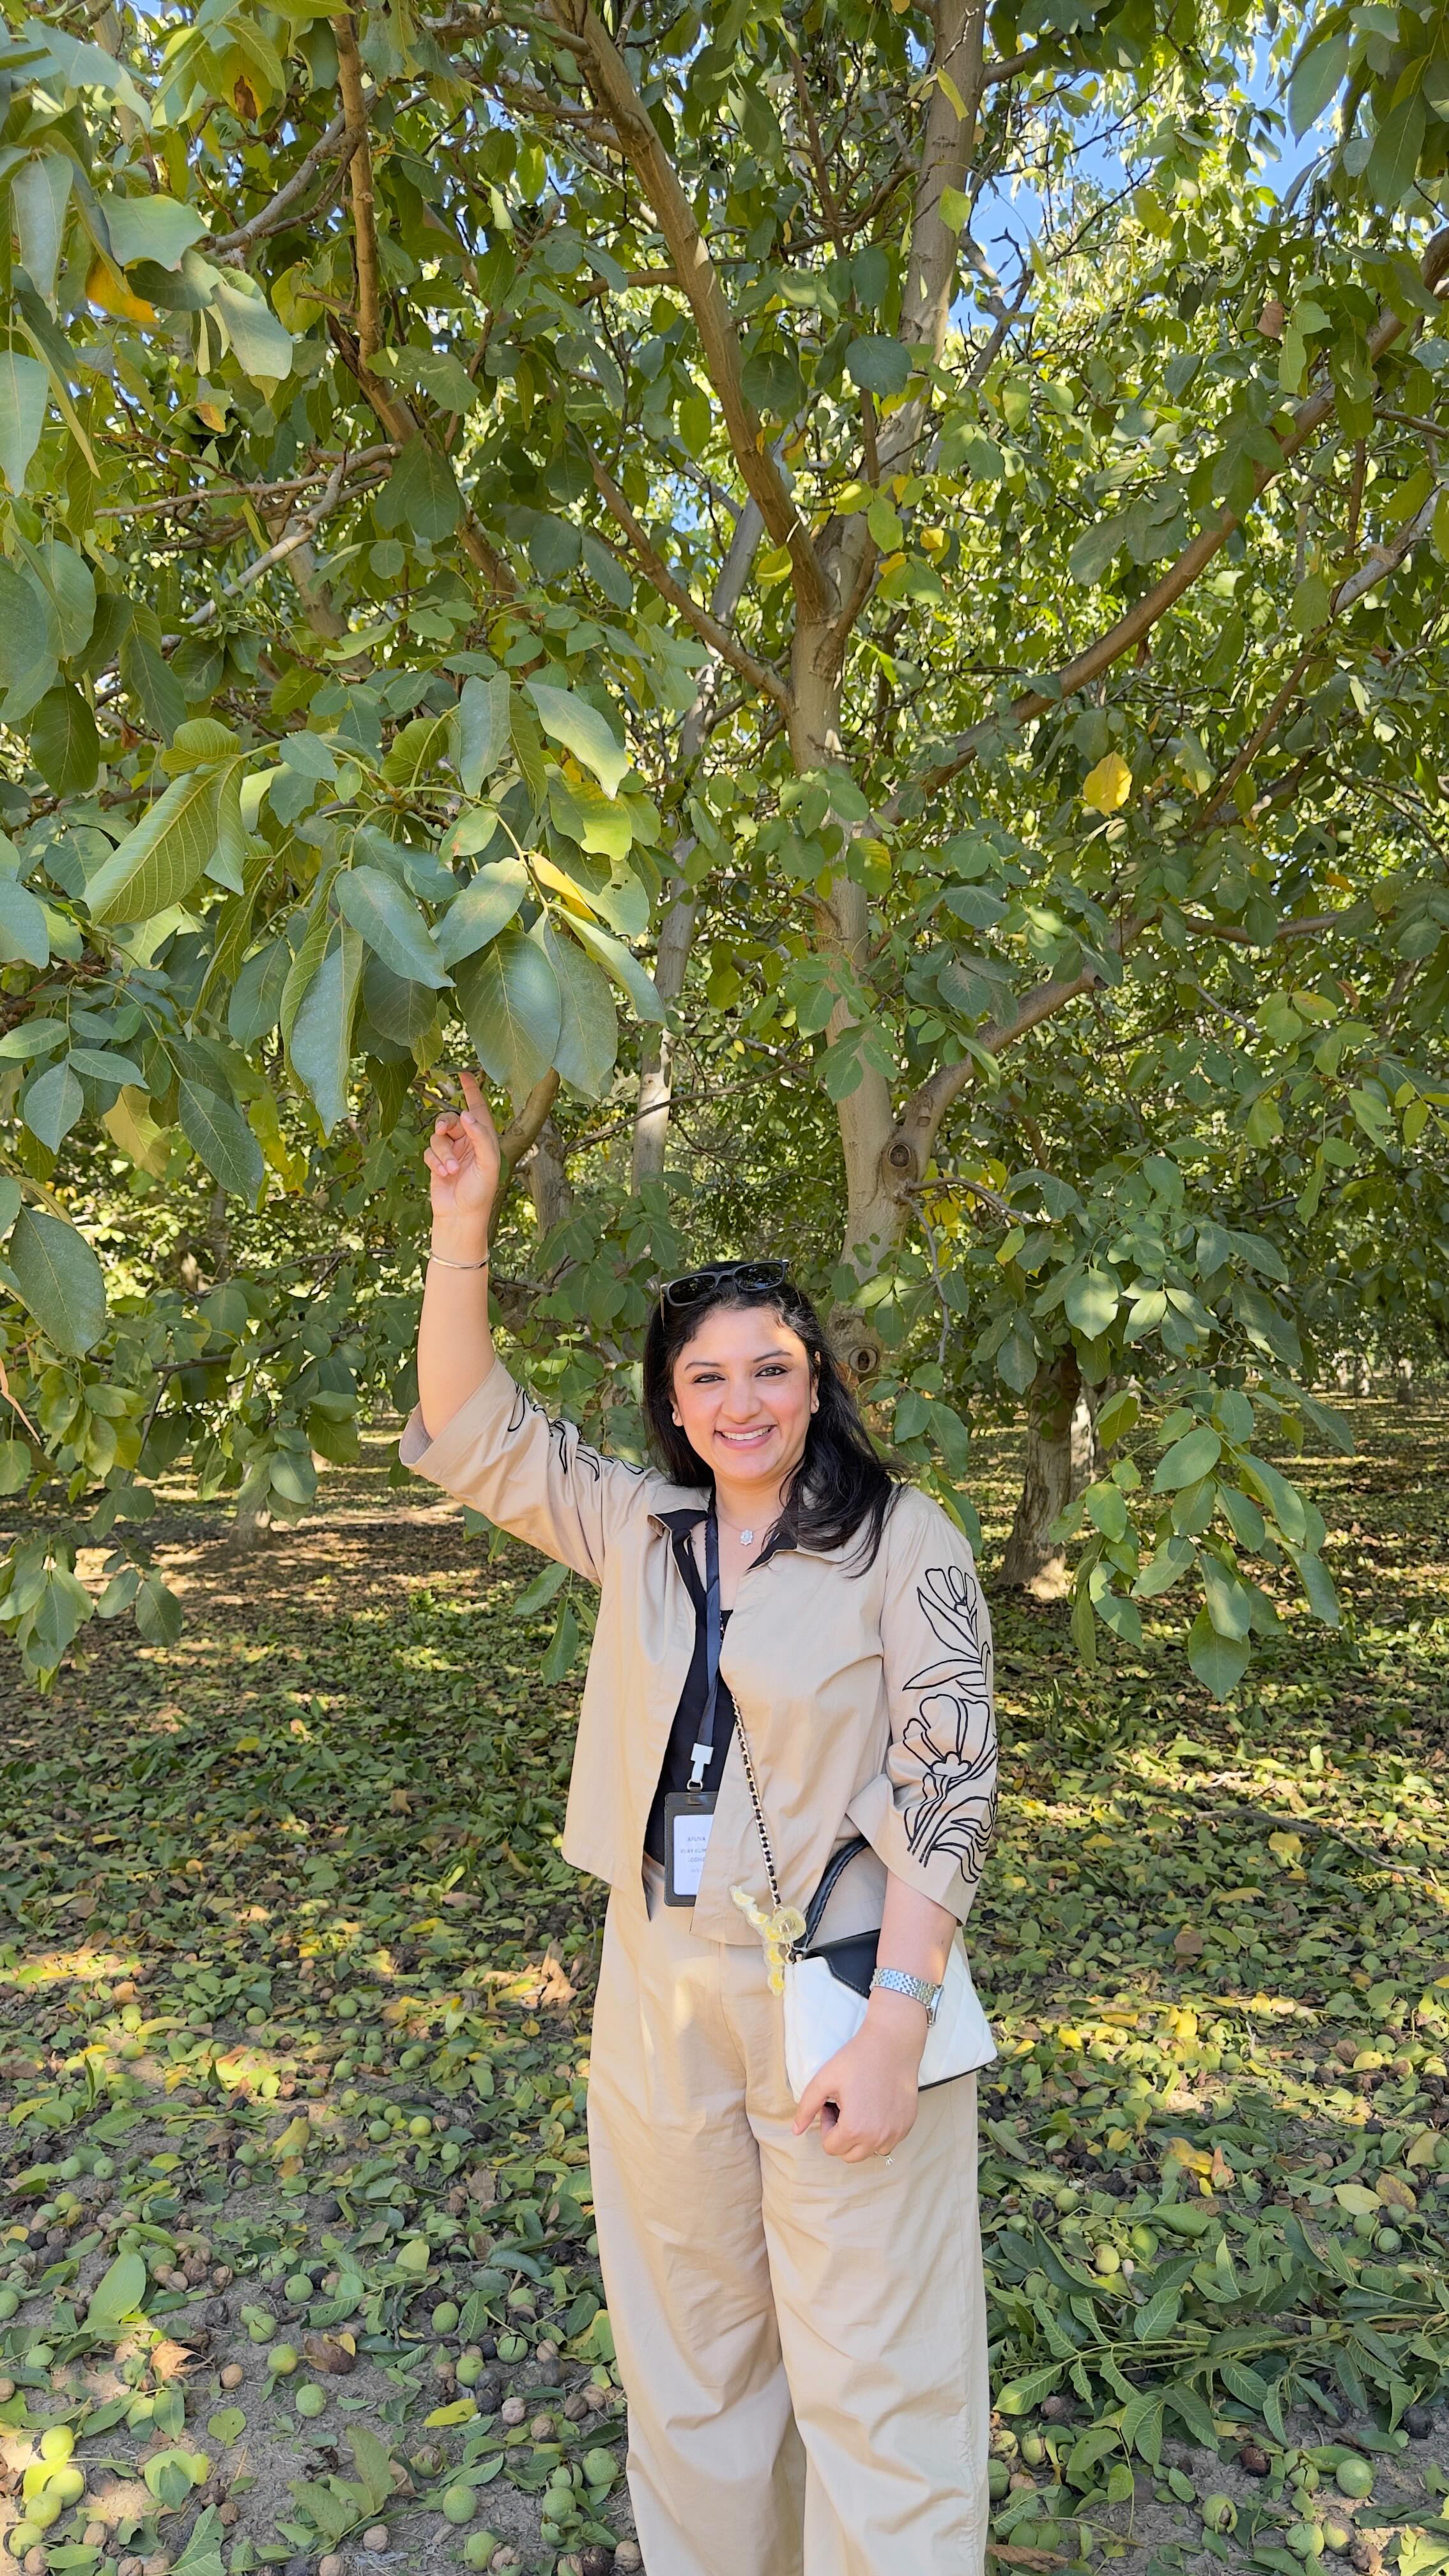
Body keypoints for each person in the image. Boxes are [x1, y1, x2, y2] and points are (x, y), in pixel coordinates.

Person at [405, 1070, 1000, 2576]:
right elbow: (471, 1423)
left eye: (773, 1371)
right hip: (657, 1983)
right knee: (694, 2367)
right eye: (710, 1379)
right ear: (674, 1405)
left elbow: (949, 1780)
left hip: (844, 1983)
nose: (743, 1402)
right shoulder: (643, 1529)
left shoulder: (898, 1540)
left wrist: (898, 2024)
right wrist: (459, 1226)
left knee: (878, 2379)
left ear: (818, 1383)